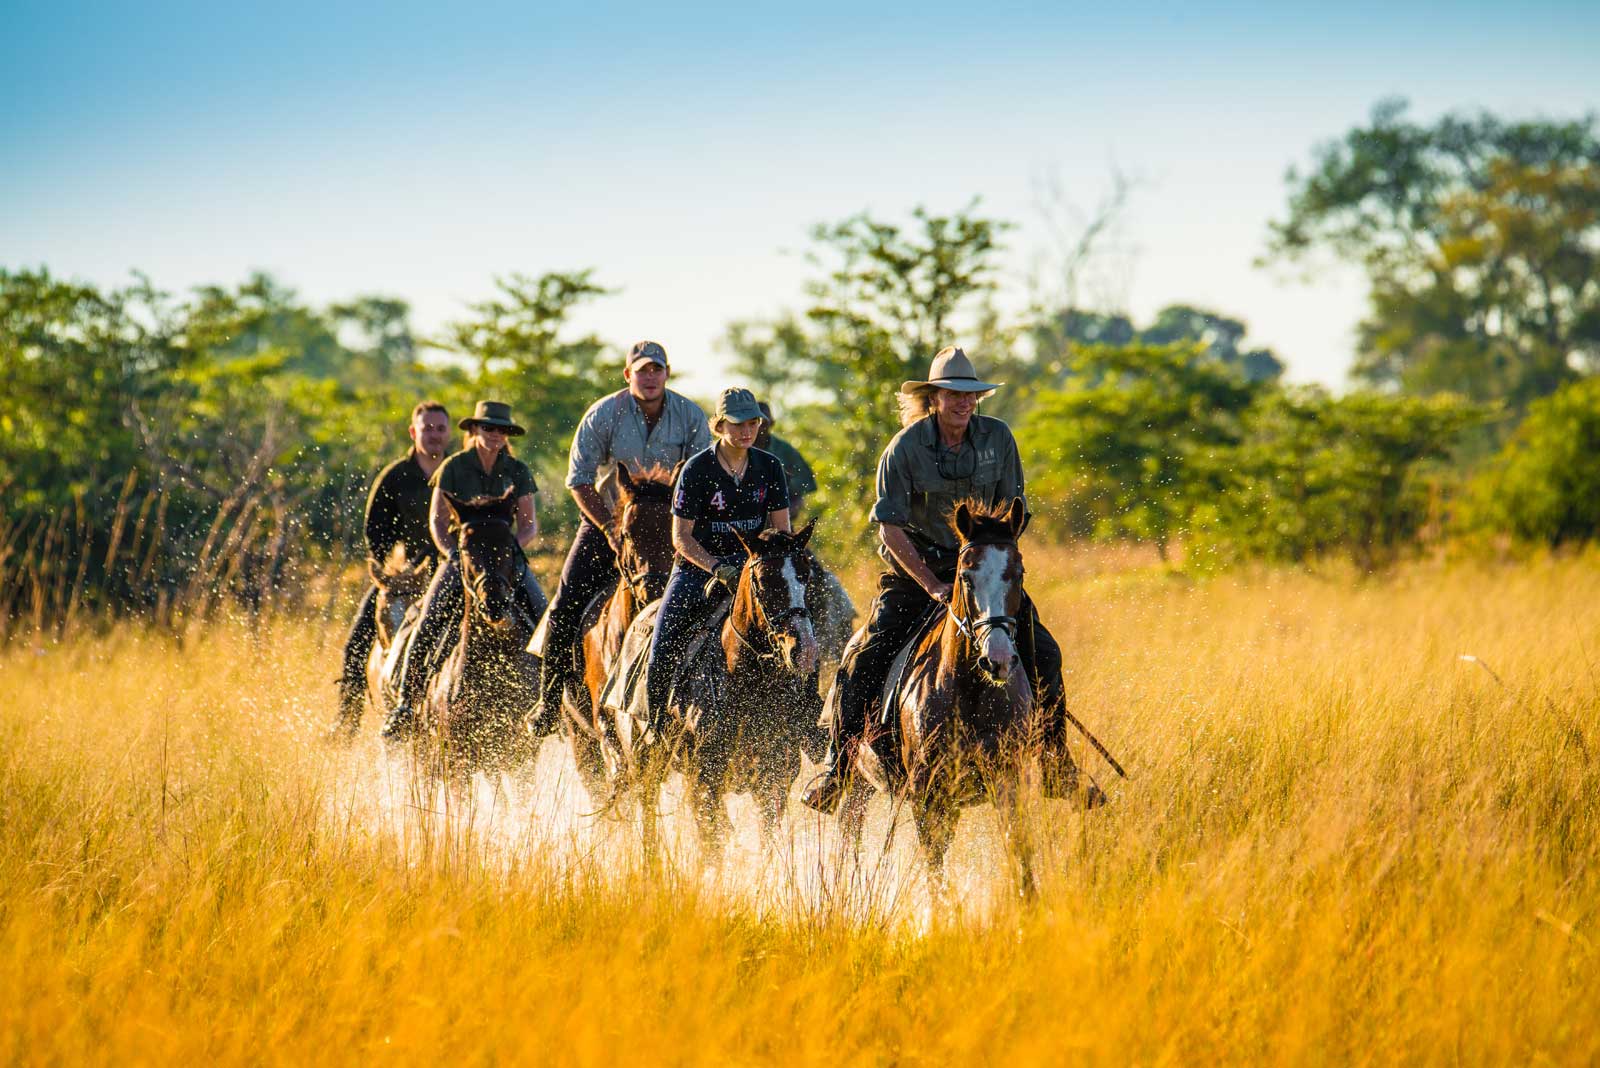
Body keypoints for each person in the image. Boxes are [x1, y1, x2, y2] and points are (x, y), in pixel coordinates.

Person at [801, 347, 1072, 812]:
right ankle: (837, 768)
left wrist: (988, 563)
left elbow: (1014, 513)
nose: (963, 403)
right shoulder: (904, 448)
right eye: (952, 394)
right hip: (916, 575)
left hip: (982, 574)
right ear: (934, 397)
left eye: (970, 395)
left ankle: (1056, 762)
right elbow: (889, 528)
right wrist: (931, 583)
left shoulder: (999, 439)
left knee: (1045, 651)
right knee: (865, 656)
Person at [534, 340, 711, 730]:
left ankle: (709, 700)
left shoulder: (691, 415)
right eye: (642, 371)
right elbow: (579, 481)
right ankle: (548, 702)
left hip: (672, 524)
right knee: (564, 604)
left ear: (667, 374)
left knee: (718, 598)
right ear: (628, 375)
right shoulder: (603, 413)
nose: (650, 377)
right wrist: (610, 528)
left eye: (657, 370)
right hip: (610, 518)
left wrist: (689, 530)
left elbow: (704, 474)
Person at [381, 401, 548, 741]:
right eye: (488, 428)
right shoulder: (454, 467)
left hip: (505, 560)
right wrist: (455, 555)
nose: (495, 435)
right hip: (463, 558)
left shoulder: (517, 470)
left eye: (501, 430)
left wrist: (511, 552)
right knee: (427, 618)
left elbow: (529, 526)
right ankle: (405, 702)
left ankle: (556, 700)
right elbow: (438, 522)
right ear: (474, 430)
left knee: (545, 616)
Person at [643, 387, 791, 730]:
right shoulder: (697, 469)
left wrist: (762, 566)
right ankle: (655, 723)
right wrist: (717, 567)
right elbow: (680, 537)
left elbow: (781, 532)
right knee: (663, 640)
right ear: (719, 426)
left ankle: (806, 724)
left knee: (799, 628)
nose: (747, 431)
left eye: (753, 423)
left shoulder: (770, 466)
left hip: (753, 568)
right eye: (738, 424)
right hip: (698, 568)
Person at [329, 400, 451, 740]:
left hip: (450, 571)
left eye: (440, 428)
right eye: (427, 428)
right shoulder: (395, 476)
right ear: (413, 432)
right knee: (357, 640)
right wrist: (391, 571)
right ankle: (348, 718)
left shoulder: (459, 471)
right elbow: (376, 531)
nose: (434, 435)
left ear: (449, 432)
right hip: (402, 577)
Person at [755, 401, 818, 518]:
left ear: (772, 423)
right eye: (755, 423)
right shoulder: (739, 450)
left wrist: (784, 488)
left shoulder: (785, 450)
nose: (760, 428)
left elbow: (804, 481)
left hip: (782, 511)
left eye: (764, 423)